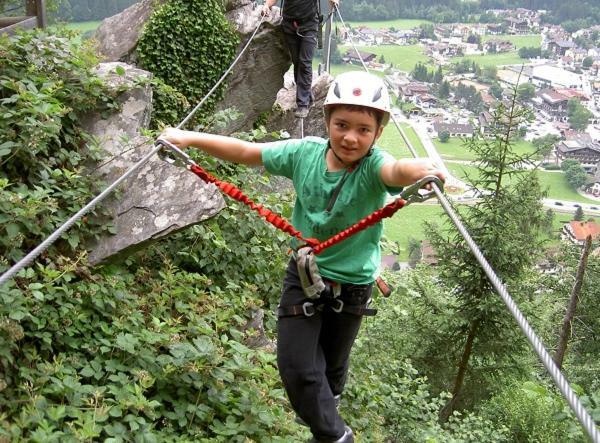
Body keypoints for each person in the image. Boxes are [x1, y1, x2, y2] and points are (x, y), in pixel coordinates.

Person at [159, 71, 445, 443]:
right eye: (341, 125)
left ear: (377, 133)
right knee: (297, 367)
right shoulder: (303, 154)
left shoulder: (375, 167)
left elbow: (396, 171)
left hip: (353, 287)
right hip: (306, 275)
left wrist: (421, 169)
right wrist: (186, 139)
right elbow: (248, 152)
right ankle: (336, 436)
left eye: (363, 129)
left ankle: (324, 427)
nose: (350, 137)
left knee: (330, 371)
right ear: (326, 121)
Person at [261, 0, 339, 119]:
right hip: (289, 24)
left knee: (304, 62)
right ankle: (308, 96)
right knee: (297, 62)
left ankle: (303, 105)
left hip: (309, 24)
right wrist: (266, 5)